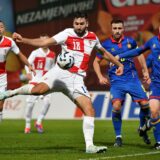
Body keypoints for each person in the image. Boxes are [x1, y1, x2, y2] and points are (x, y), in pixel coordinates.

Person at [0, 12, 124, 153]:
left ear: (87, 24)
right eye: (76, 24)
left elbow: (105, 53)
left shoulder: (93, 38)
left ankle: (89, 146)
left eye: (81, 24)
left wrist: (119, 64)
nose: (78, 26)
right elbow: (44, 42)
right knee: (36, 91)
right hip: (59, 73)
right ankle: (10, 93)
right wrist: (24, 40)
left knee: (89, 109)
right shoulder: (67, 33)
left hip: (77, 80)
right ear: (73, 24)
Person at [93, 18, 150, 147]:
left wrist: (145, 70)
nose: (117, 31)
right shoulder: (105, 45)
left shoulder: (130, 41)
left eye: (119, 28)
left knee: (145, 104)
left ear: (123, 29)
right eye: (115, 28)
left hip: (133, 79)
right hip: (117, 81)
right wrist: (100, 76)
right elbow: (95, 62)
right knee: (116, 106)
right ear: (111, 29)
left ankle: (142, 128)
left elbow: (140, 54)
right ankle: (118, 137)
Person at [115, 26, 160, 149]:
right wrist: (120, 56)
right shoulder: (153, 42)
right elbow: (138, 51)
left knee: (155, 116)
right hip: (157, 84)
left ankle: (145, 126)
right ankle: (159, 143)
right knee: (154, 111)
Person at [0, 20, 34, 122]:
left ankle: (0, 113)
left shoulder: (9, 42)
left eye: (1, 26)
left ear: (4, 29)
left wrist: (29, 65)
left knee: (1, 103)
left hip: (1, 76)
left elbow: (20, 55)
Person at [24, 34, 56, 134]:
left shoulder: (52, 54)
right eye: (42, 40)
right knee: (30, 104)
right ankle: (27, 125)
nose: (44, 42)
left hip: (46, 81)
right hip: (35, 80)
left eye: (46, 40)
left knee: (47, 102)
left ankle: (39, 121)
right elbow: (27, 64)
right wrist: (29, 74)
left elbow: (53, 68)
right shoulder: (35, 52)